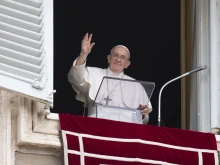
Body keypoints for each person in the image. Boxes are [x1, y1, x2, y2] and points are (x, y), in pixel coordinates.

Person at [68, 33, 153, 124]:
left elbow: (145, 120)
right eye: (115, 55)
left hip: (125, 133)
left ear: (127, 64)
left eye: (122, 57)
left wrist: (142, 114)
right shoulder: (94, 73)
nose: (118, 59)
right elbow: (75, 78)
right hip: (96, 127)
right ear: (109, 58)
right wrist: (83, 54)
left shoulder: (136, 86)